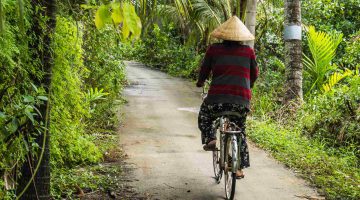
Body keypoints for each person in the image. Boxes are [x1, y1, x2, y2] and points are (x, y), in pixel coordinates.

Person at [196, 16, 258, 178]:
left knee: (205, 116)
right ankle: (238, 168)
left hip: (217, 99)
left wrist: (200, 82)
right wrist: (247, 87)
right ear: (241, 37)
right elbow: (254, 74)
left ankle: (210, 138)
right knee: (240, 131)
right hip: (241, 102)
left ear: (223, 35)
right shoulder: (248, 51)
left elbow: (204, 69)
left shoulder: (214, 49)